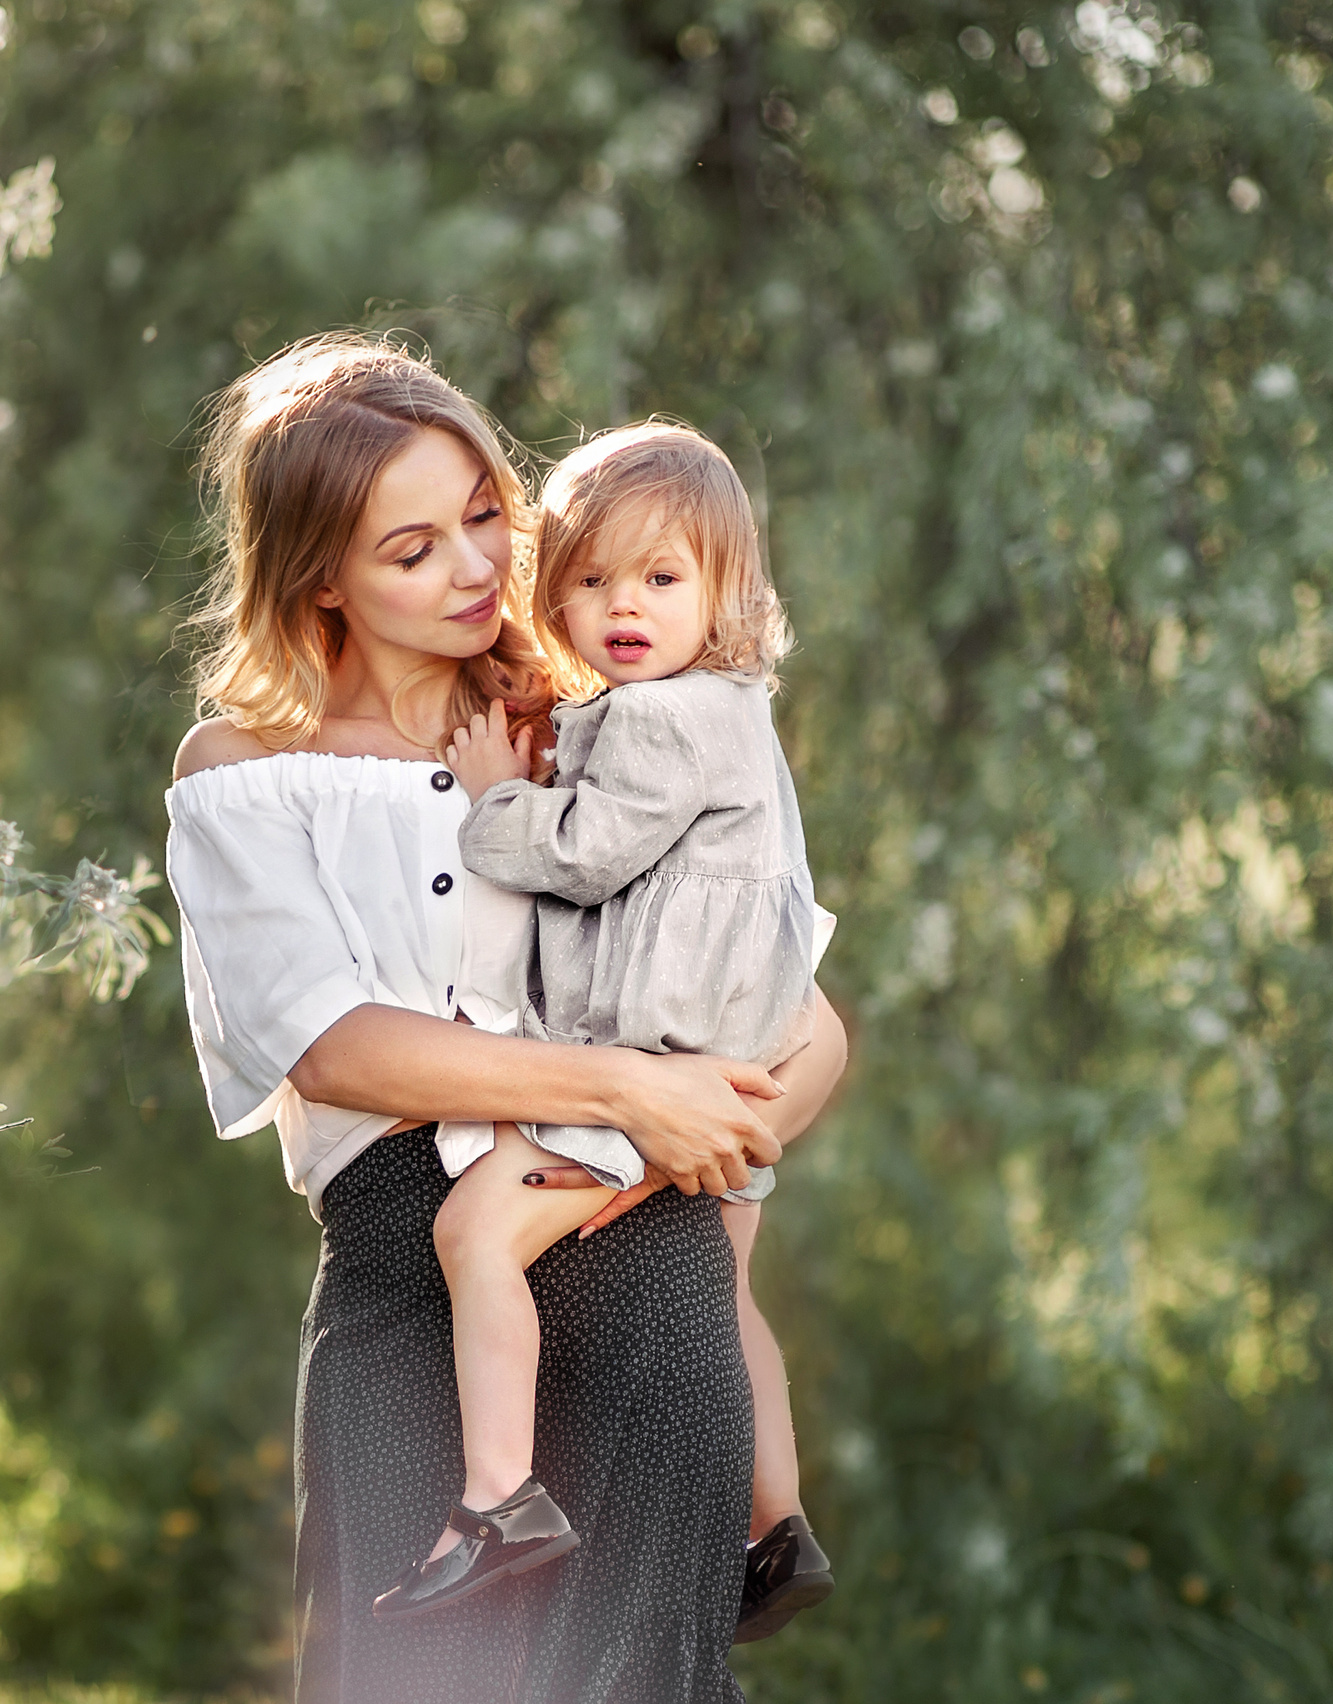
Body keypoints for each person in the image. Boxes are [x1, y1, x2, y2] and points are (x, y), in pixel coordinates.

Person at [163, 332, 848, 1703]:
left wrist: (661, 1132)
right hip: (401, 1295)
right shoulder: (247, 769)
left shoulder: (580, 732)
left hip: (643, 1280)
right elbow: (333, 1047)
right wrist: (624, 1088)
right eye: (412, 549)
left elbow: (804, 1021)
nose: (478, 567)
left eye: (485, 514)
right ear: (320, 580)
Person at [370, 422, 834, 1642]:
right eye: (589, 580)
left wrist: (491, 803)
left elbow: (584, 856)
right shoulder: (729, 708)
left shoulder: (660, 721)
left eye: (660, 579)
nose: (621, 606)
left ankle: (496, 1500)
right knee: (730, 1281)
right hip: (743, 1048)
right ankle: (776, 1528)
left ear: (726, 590)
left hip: (668, 1057)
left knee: (474, 1233)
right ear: (552, 589)